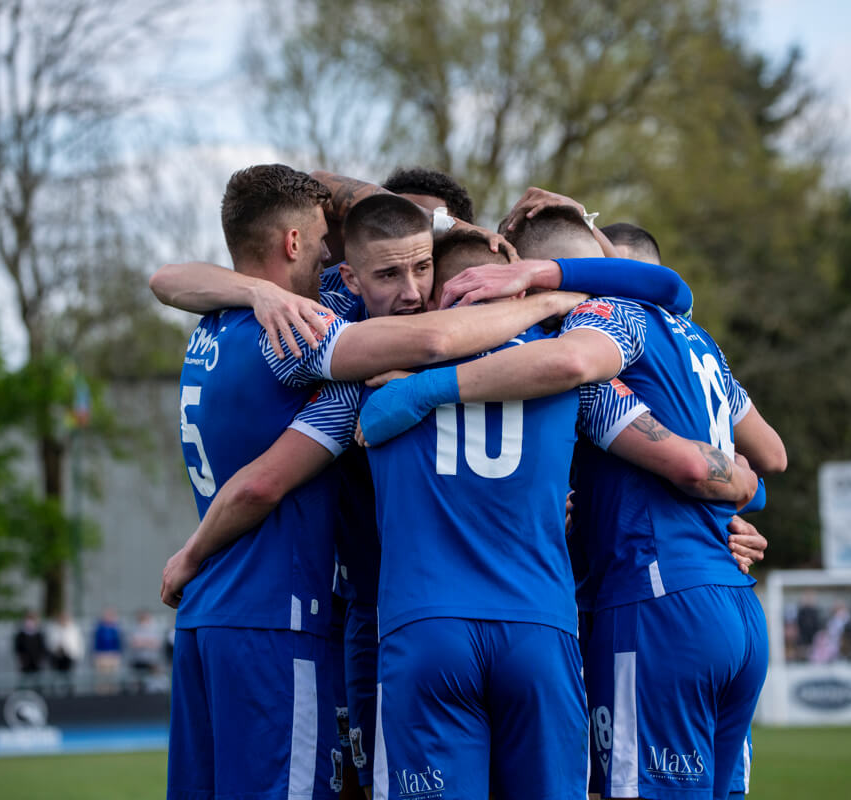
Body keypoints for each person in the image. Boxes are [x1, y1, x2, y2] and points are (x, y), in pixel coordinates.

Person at [162, 166, 595, 800]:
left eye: (423, 266)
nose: (412, 289)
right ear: (342, 270)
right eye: (386, 270)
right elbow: (436, 340)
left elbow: (166, 277)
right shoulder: (313, 333)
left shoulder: (231, 332)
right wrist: (553, 296)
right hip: (354, 615)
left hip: (304, 614)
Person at [363, 207, 785, 800]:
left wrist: (425, 385)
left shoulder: (577, 345)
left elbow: (676, 449)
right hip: (703, 605)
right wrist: (742, 490)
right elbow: (768, 458)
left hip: (651, 600)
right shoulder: (692, 338)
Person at [47, 611, 85, 694]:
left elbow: (77, 643)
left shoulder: (74, 629)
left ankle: (70, 693)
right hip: (57, 657)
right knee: (56, 677)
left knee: (69, 677)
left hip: (70, 657)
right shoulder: (54, 629)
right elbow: (50, 643)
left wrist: (77, 655)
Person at [127, 610, 163, 693]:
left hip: (151, 660)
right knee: (137, 680)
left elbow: (156, 644)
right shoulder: (134, 628)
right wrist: (148, 642)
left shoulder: (155, 628)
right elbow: (134, 643)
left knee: (152, 681)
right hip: (138, 659)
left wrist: (142, 642)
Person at [92, 607, 123, 694]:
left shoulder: (116, 628)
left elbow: (119, 642)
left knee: (113, 679)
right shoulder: (100, 628)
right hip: (101, 655)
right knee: (102, 679)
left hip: (113, 655)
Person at [13, 611, 47, 687]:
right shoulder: (20, 635)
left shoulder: (39, 635)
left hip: (36, 662)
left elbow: (43, 649)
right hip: (25, 663)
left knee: (38, 683)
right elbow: (17, 649)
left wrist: (40, 659)